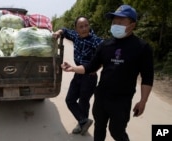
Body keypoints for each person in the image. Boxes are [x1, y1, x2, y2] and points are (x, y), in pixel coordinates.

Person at [60, 5, 154, 141]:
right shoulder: (105, 45)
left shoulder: (142, 48)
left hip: (122, 100)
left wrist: (143, 101)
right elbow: (90, 67)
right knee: (99, 129)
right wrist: (73, 68)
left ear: (132, 25)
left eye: (121, 22)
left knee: (117, 132)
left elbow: (147, 77)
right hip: (101, 97)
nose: (116, 24)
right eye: (114, 21)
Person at [53, 16, 103, 135]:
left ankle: (81, 124)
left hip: (89, 75)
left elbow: (104, 56)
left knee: (83, 101)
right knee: (70, 99)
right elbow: (64, 31)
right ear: (76, 29)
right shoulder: (75, 36)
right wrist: (58, 32)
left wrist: (96, 68)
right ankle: (83, 121)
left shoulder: (96, 40)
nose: (84, 28)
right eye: (81, 27)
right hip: (78, 73)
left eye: (86, 25)